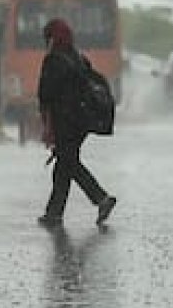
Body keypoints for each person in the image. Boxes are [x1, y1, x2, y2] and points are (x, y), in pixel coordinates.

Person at [37, 18, 117, 227]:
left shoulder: (53, 61)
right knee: (64, 164)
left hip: (65, 121)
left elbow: (45, 95)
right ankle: (54, 213)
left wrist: (46, 125)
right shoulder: (79, 58)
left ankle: (101, 198)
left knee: (69, 163)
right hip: (82, 121)